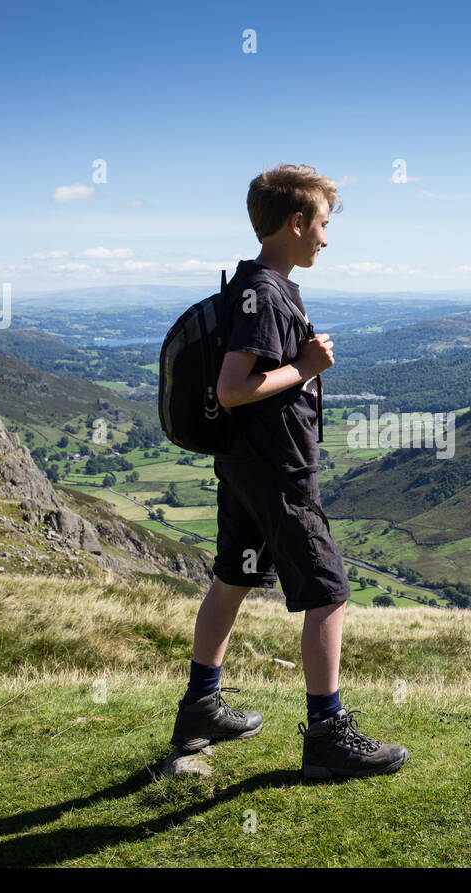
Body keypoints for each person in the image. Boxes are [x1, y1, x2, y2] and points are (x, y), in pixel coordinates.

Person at [166, 164, 408, 780]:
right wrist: (306, 365)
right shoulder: (267, 294)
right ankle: (327, 734)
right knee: (327, 590)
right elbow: (234, 386)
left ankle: (200, 707)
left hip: (245, 465)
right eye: (323, 225)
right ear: (297, 223)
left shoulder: (252, 285)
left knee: (235, 574)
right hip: (277, 468)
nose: (326, 239)